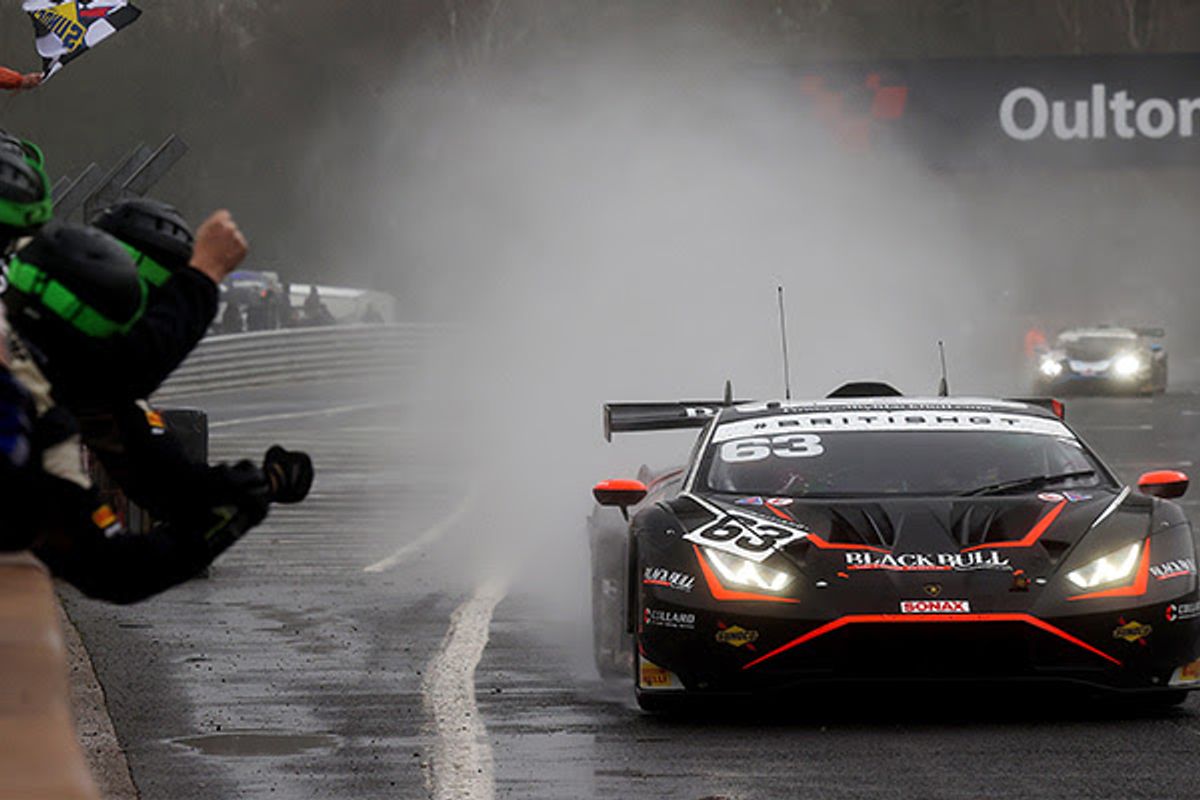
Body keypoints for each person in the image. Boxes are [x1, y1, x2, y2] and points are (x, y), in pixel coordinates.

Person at [3, 223, 305, 603]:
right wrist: (233, 515)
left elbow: (162, 477)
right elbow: (116, 571)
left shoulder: (43, 366)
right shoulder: (44, 419)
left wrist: (238, 487)